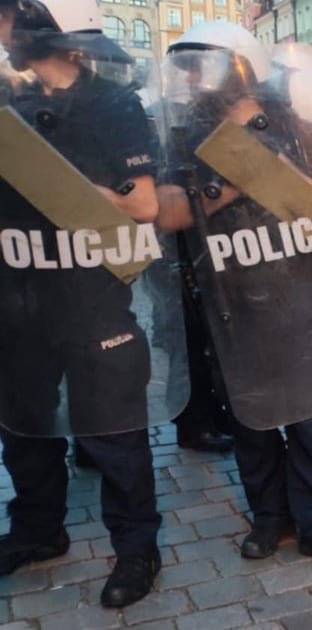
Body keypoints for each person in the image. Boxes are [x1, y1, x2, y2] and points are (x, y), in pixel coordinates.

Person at [158, 24, 312, 571]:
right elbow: (171, 211)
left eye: (205, 66)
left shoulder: (291, 122)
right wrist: (235, 179)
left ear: (240, 65)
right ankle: (269, 519)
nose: (195, 79)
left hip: (300, 293)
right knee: (251, 422)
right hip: (233, 300)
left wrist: (306, 186)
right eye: (189, 69)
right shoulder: (189, 132)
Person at [0, 0, 165, 606]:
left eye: (12, 21)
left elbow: (145, 204)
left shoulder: (110, 105)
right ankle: (38, 530)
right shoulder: (7, 105)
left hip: (92, 296)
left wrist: (60, 184)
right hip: (20, 296)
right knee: (23, 427)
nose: (6, 35)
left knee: (114, 434)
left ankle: (137, 547)